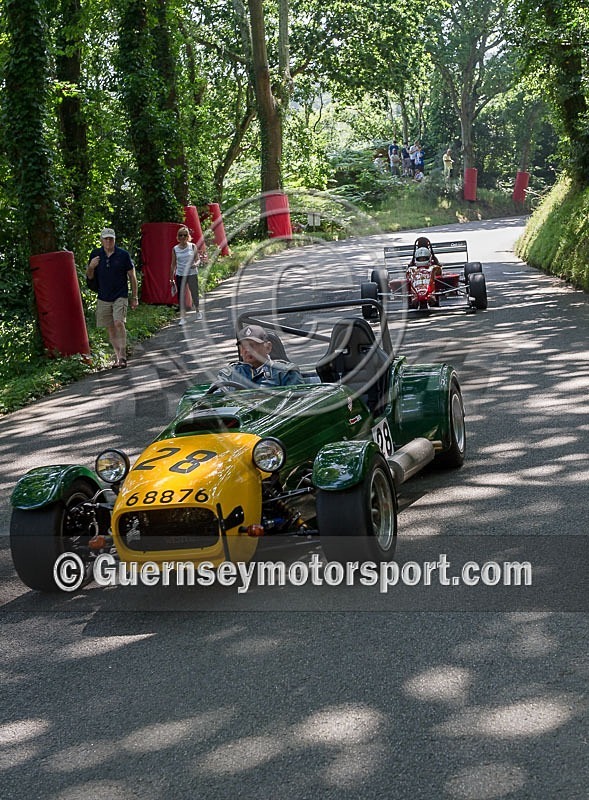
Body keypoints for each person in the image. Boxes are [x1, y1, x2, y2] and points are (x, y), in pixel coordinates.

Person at [86, 227, 138, 368]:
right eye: (106, 239)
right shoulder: (95, 255)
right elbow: (90, 277)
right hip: (103, 296)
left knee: (118, 323)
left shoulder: (123, 255)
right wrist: (91, 267)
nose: (108, 241)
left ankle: (122, 356)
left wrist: (134, 297)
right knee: (110, 327)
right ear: (101, 240)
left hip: (120, 295)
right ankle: (117, 356)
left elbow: (132, 277)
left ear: (115, 240)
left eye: (111, 238)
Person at [216, 325, 304, 388]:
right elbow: (213, 399)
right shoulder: (229, 374)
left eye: (252, 345)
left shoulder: (285, 373)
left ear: (268, 347)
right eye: (244, 346)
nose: (247, 350)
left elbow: (297, 404)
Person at [170, 226, 201, 325]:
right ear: (178, 237)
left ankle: (198, 311)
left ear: (188, 236)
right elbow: (173, 264)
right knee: (181, 296)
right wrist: (171, 278)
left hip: (192, 273)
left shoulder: (192, 246)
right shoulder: (175, 249)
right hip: (180, 274)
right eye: (180, 235)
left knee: (194, 292)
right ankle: (182, 317)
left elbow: (198, 259)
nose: (183, 237)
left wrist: (195, 264)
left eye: (185, 235)